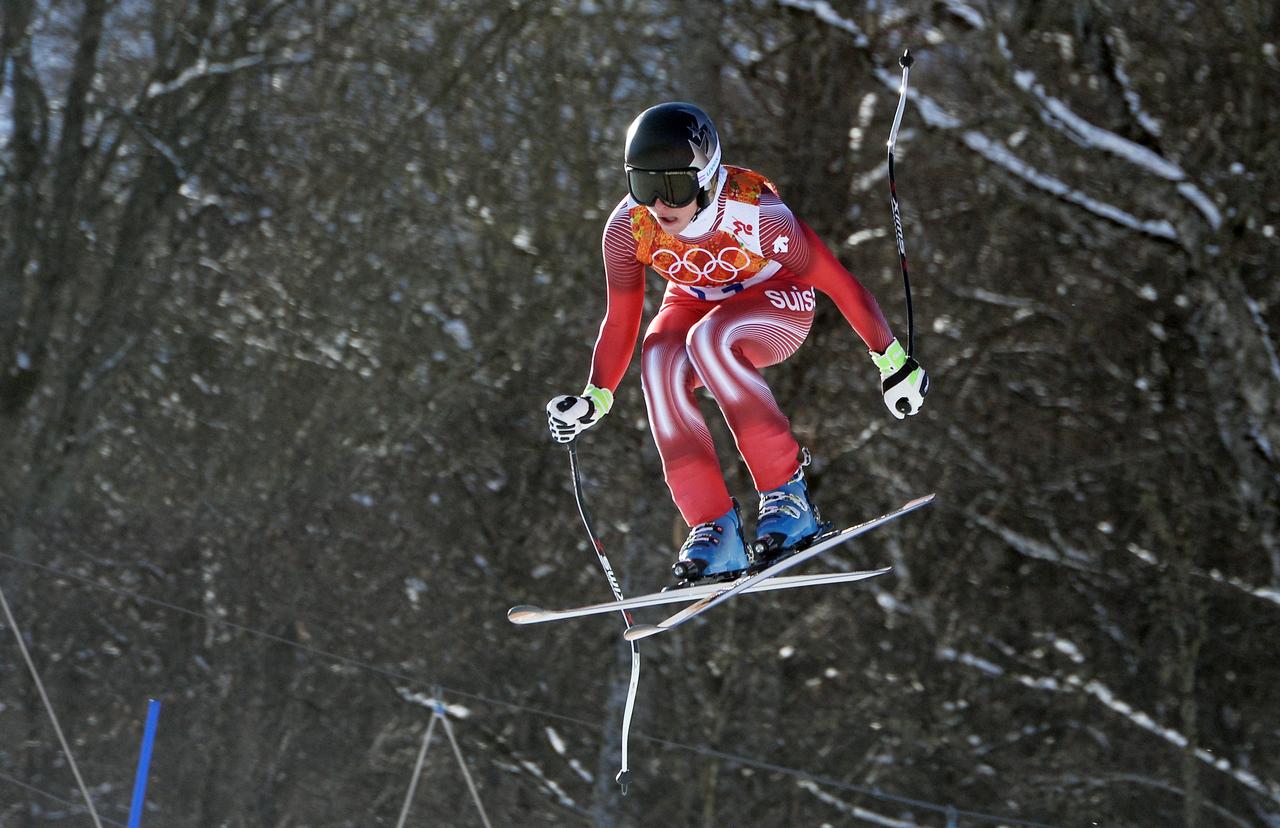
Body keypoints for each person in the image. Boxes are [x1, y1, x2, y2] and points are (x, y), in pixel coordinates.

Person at [547, 101, 927, 584]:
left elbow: (838, 282)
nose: (660, 206)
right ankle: (714, 528)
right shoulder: (630, 228)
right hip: (694, 300)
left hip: (776, 302)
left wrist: (892, 360)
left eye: (674, 187)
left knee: (709, 338)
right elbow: (619, 321)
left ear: (705, 177)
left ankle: (787, 495)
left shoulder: (757, 214)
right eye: (643, 185)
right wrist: (593, 397)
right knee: (659, 356)